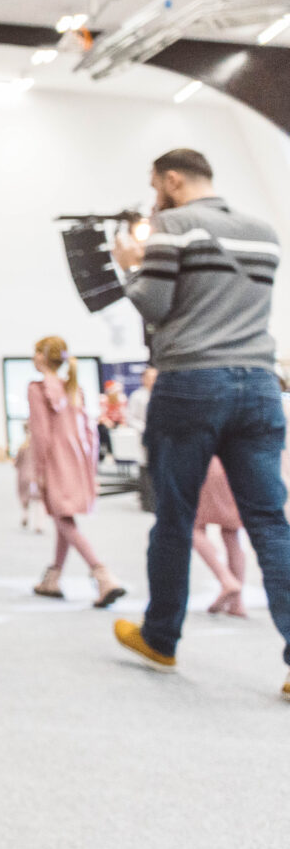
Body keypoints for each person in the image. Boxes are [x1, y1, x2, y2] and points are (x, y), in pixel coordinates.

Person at [111, 148, 290, 692]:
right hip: (260, 384)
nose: (154, 198)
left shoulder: (175, 225)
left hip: (191, 383)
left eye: (155, 186)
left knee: (174, 517)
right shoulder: (264, 233)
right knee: (270, 522)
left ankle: (160, 639)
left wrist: (131, 264)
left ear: (172, 180)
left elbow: (155, 306)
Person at [25, 337, 125, 605]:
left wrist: (39, 472)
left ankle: (102, 574)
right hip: (78, 459)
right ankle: (53, 577)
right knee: (64, 517)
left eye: (35, 352)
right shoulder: (74, 388)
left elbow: (41, 435)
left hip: (55, 461)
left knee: (62, 518)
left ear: (42, 357)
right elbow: (90, 433)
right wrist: (91, 469)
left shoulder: (37, 389)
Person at [193, 459, 248, 618]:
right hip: (235, 466)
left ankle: (226, 580)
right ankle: (237, 603)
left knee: (194, 527)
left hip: (206, 464)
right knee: (232, 533)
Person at [98, 380, 128, 462]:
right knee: (103, 430)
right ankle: (109, 451)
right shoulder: (103, 400)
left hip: (116, 423)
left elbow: (123, 415)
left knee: (123, 430)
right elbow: (100, 415)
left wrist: (122, 424)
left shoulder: (121, 400)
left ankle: (122, 454)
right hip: (105, 424)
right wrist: (106, 421)